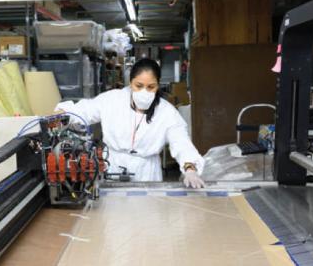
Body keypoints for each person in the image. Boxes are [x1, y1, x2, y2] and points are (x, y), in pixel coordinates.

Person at [56, 58, 205, 188]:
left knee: (146, 217)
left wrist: (190, 168)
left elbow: (181, 142)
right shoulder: (112, 100)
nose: (144, 92)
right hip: (112, 166)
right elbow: (85, 111)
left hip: (147, 174)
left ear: (158, 85)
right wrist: (64, 113)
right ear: (130, 82)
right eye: (138, 86)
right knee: (112, 216)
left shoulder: (167, 112)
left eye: (151, 87)